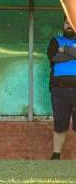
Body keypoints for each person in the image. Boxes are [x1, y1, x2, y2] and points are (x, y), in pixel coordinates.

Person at [47, 17, 76, 161]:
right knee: (60, 122)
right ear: (63, 25)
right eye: (66, 22)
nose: (69, 25)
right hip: (59, 89)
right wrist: (72, 52)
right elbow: (53, 57)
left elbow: (60, 55)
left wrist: (64, 51)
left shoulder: (61, 45)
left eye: (72, 22)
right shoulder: (55, 41)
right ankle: (56, 155)